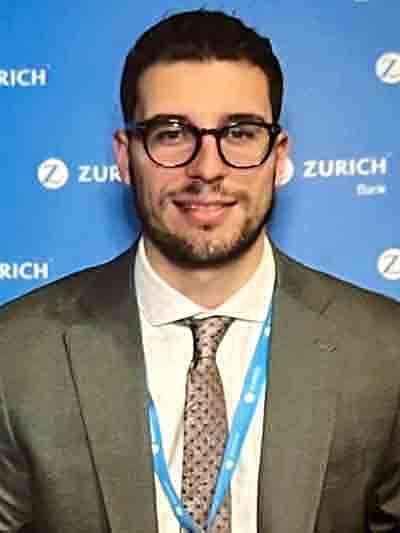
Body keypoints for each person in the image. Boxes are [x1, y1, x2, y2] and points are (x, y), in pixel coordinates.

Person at [0, 9, 399, 533]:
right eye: (171, 133)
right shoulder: (16, 357)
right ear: (125, 157)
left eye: (239, 133)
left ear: (278, 155)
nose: (207, 168)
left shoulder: (385, 351)